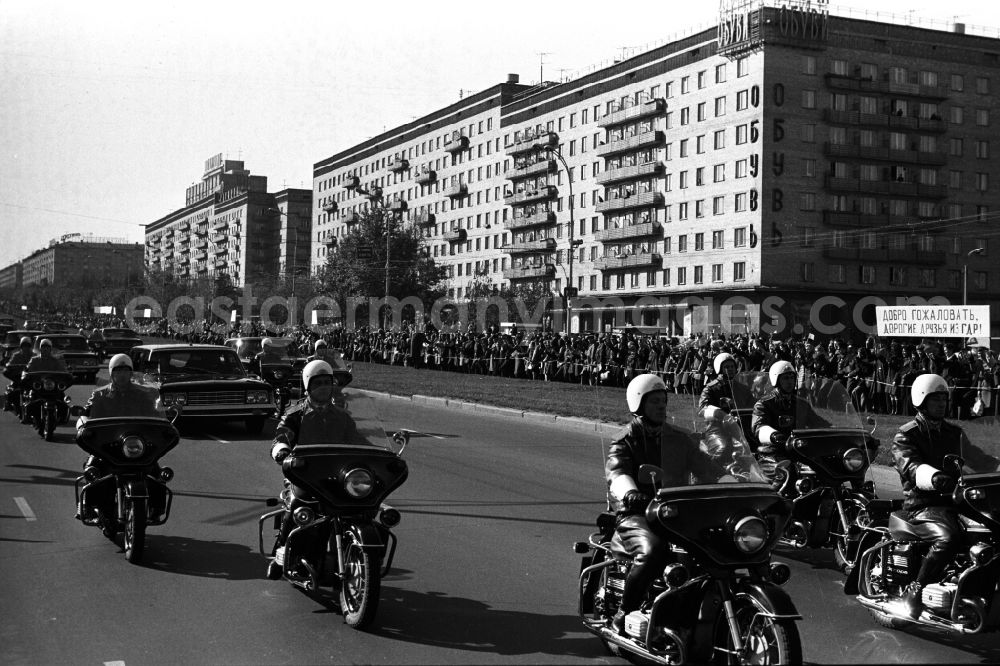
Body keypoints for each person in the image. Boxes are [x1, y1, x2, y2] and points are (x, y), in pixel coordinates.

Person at [605, 374, 729, 635]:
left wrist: (731, 480)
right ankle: (624, 612)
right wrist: (630, 493)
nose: (662, 406)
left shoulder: (679, 438)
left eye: (664, 401)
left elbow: (705, 466)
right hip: (637, 514)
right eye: (655, 402)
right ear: (639, 404)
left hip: (676, 511)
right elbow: (617, 472)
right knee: (654, 550)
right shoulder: (626, 439)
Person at [891, 373, 1000, 619]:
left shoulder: (954, 432)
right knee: (950, 537)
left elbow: (978, 458)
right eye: (935, 399)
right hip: (923, 503)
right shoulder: (906, 434)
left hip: (958, 499)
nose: (941, 404)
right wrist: (932, 477)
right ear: (921, 401)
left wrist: (997, 466)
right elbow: (909, 464)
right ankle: (915, 590)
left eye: (943, 399)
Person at [266, 359, 367, 579]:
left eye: (327, 382)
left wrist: (374, 452)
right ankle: (279, 553)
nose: (323, 387)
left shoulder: (342, 416)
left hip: (337, 476)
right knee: (297, 505)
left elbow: (357, 439)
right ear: (308, 386)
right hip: (305, 475)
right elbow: (282, 435)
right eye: (317, 383)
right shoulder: (296, 414)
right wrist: (282, 449)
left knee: (361, 505)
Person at [75, 354, 165, 523]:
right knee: (92, 469)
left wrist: (162, 418)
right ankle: (86, 506)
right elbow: (87, 413)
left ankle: (157, 508)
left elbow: (155, 414)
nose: (122, 375)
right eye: (118, 371)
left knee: (156, 473)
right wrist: (83, 420)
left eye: (126, 371)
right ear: (111, 374)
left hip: (135, 444)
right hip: (108, 445)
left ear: (131, 374)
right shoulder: (100, 395)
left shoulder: (143, 394)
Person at [751, 360, 831, 484]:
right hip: (772, 453)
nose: (790, 381)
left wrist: (836, 429)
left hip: (799, 451)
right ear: (776, 380)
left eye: (792, 377)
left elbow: (818, 422)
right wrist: (774, 436)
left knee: (827, 467)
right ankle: (781, 501)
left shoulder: (801, 403)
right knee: (787, 473)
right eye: (785, 378)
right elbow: (758, 427)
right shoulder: (764, 404)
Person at [699, 352, 756, 465]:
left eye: (732, 366)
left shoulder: (743, 388)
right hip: (717, 428)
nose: (730, 369)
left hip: (743, 428)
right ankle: (716, 474)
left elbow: (754, 406)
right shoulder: (711, 388)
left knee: (758, 449)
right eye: (726, 367)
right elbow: (702, 409)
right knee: (723, 450)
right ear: (719, 368)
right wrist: (719, 413)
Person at [3, 337, 34, 422]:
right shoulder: (16, 355)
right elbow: (9, 364)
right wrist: (11, 366)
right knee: (12, 391)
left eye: (27, 346)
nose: (26, 348)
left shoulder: (34, 356)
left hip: (30, 378)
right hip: (18, 377)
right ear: (21, 346)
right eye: (24, 346)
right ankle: (9, 403)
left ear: (30, 346)